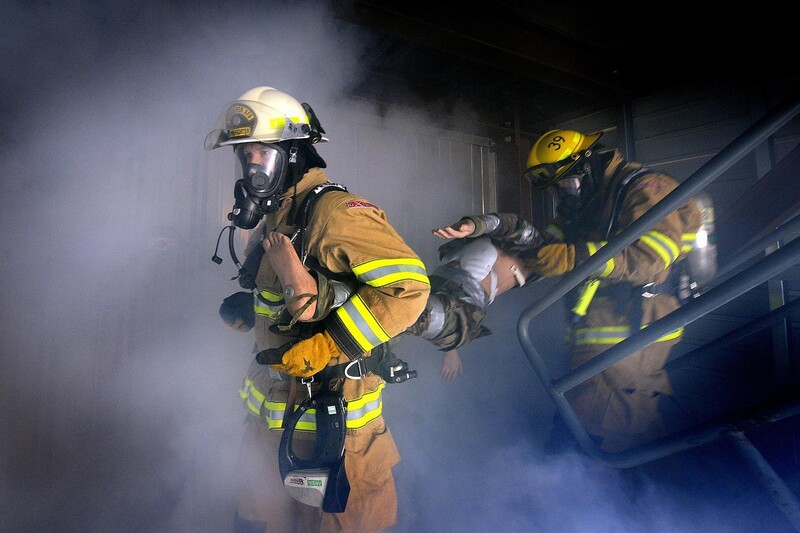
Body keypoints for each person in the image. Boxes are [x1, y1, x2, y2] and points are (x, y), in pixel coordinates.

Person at [206, 86, 430, 533]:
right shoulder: (277, 218)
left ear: (292, 155)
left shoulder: (336, 213)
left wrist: (334, 342)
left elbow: (409, 289)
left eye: (261, 155)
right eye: (245, 157)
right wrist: (254, 311)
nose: (251, 168)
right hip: (274, 423)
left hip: (337, 425)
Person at [517, 128, 703, 453]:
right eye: (558, 188)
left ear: (587, 165)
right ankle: (650, 489)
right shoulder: (591, 200)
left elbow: (651, 258)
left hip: (632, 325)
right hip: (603, 327)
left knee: (602, 431)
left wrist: (571, 257)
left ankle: (603, 496)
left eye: (567, 182)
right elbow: (550, 244)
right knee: (618, 422)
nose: (564, 193)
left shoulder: (647, 189)